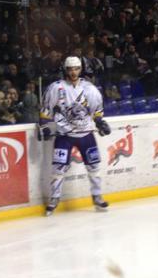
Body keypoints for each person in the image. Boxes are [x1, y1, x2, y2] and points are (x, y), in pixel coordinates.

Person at [38, 56, 111, 216]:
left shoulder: (90, 88)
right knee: (58, 168)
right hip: (64, 135)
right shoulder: (55, 88)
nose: (73, 72)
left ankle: (97, 196)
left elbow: (96, 110)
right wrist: (43, 126)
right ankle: (54, 198)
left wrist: (100, 123)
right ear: (65, 69)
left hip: (86, 135)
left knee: (94, 167)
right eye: (70, 69)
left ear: (81, 69)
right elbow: (45, 109)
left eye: (76, 68)